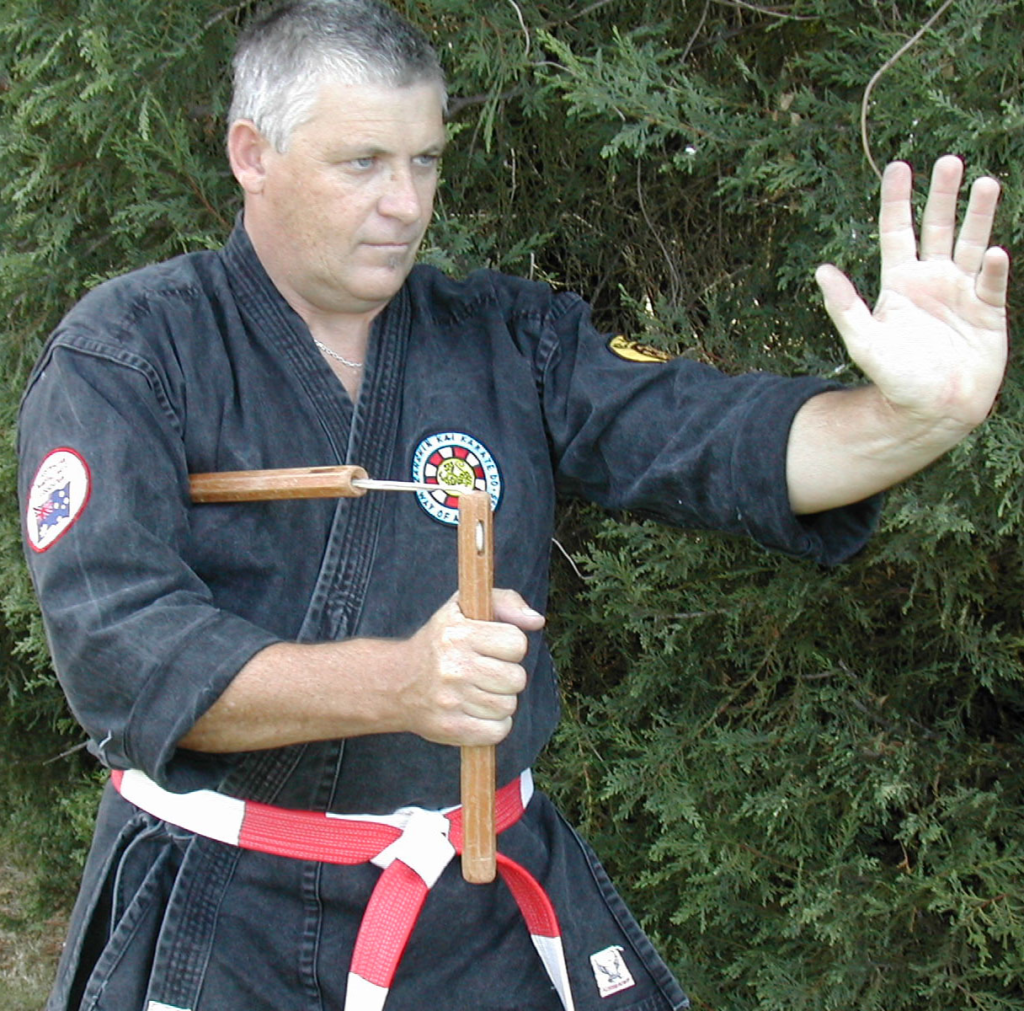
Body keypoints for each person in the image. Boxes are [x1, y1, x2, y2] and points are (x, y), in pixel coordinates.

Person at [18, 2, 1009, 1010]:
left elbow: (710, 438)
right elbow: (120, 651)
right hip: (221, 924)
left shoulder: (507, 340)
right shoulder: (131, 352)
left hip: (474, 917)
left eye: (426, 160)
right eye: (362, 163)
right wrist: (398, 683)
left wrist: (910, 421)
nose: (406, 203)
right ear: (252, 155)